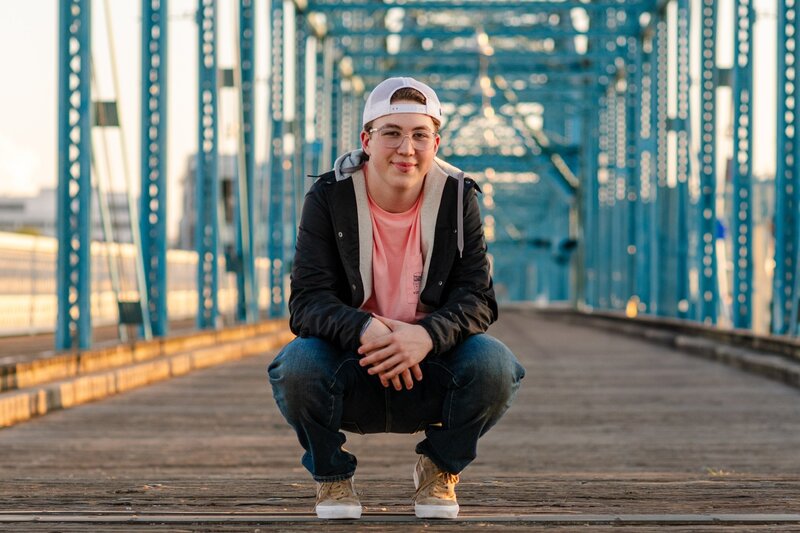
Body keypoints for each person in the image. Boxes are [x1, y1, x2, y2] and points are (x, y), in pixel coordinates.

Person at [268, 76, 525, 520]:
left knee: (495, 366)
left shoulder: (458, 197)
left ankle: (439, 467)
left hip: (431, 366)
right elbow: (307, 301)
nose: (406, 148)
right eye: (392, 133)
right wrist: (365, 328)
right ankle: (332, 477)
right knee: (296, 366)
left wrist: (425, 336)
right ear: (367, 140)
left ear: (436, 142)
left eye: (420, 135)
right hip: (353, 364)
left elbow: (478, 298)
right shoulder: (329, 196)